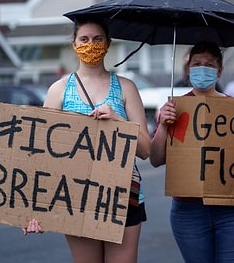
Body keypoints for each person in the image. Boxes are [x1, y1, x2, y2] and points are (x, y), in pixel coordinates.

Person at [22, 19, 151, 263]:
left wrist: (117, 122)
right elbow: (40, 156)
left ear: (108, 44)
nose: (90, 44)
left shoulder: (126, 88)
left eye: (97, 39)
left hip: (123, 195)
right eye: (84, 39)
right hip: (76, 195)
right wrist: (33, 209)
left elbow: (146, 149)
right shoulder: (58, 90)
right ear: (74, 44)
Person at [149, 40, 234, 263]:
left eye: (209, 64)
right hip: (189, 211)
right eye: (197, 63)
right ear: (188, 70)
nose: (202, 68)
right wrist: (163, 125)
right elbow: (156, 159)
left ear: (219, 72)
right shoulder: (174, 110)